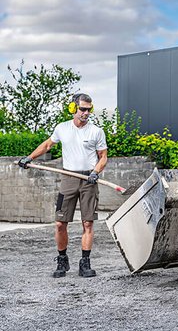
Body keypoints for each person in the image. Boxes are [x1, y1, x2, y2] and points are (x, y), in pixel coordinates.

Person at [19, 93, 108, 278]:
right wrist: (29, 158)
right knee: (60, 223)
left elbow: (103, 157)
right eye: (82, 109)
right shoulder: (62, 128)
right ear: (73, 108)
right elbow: (47, 145)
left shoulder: (96, 131)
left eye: (89, 109)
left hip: (89, 181)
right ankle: (62, 260)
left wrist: (95, 172)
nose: (86, 113)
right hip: (68, 179)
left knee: (88, 223)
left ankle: (85, 263)